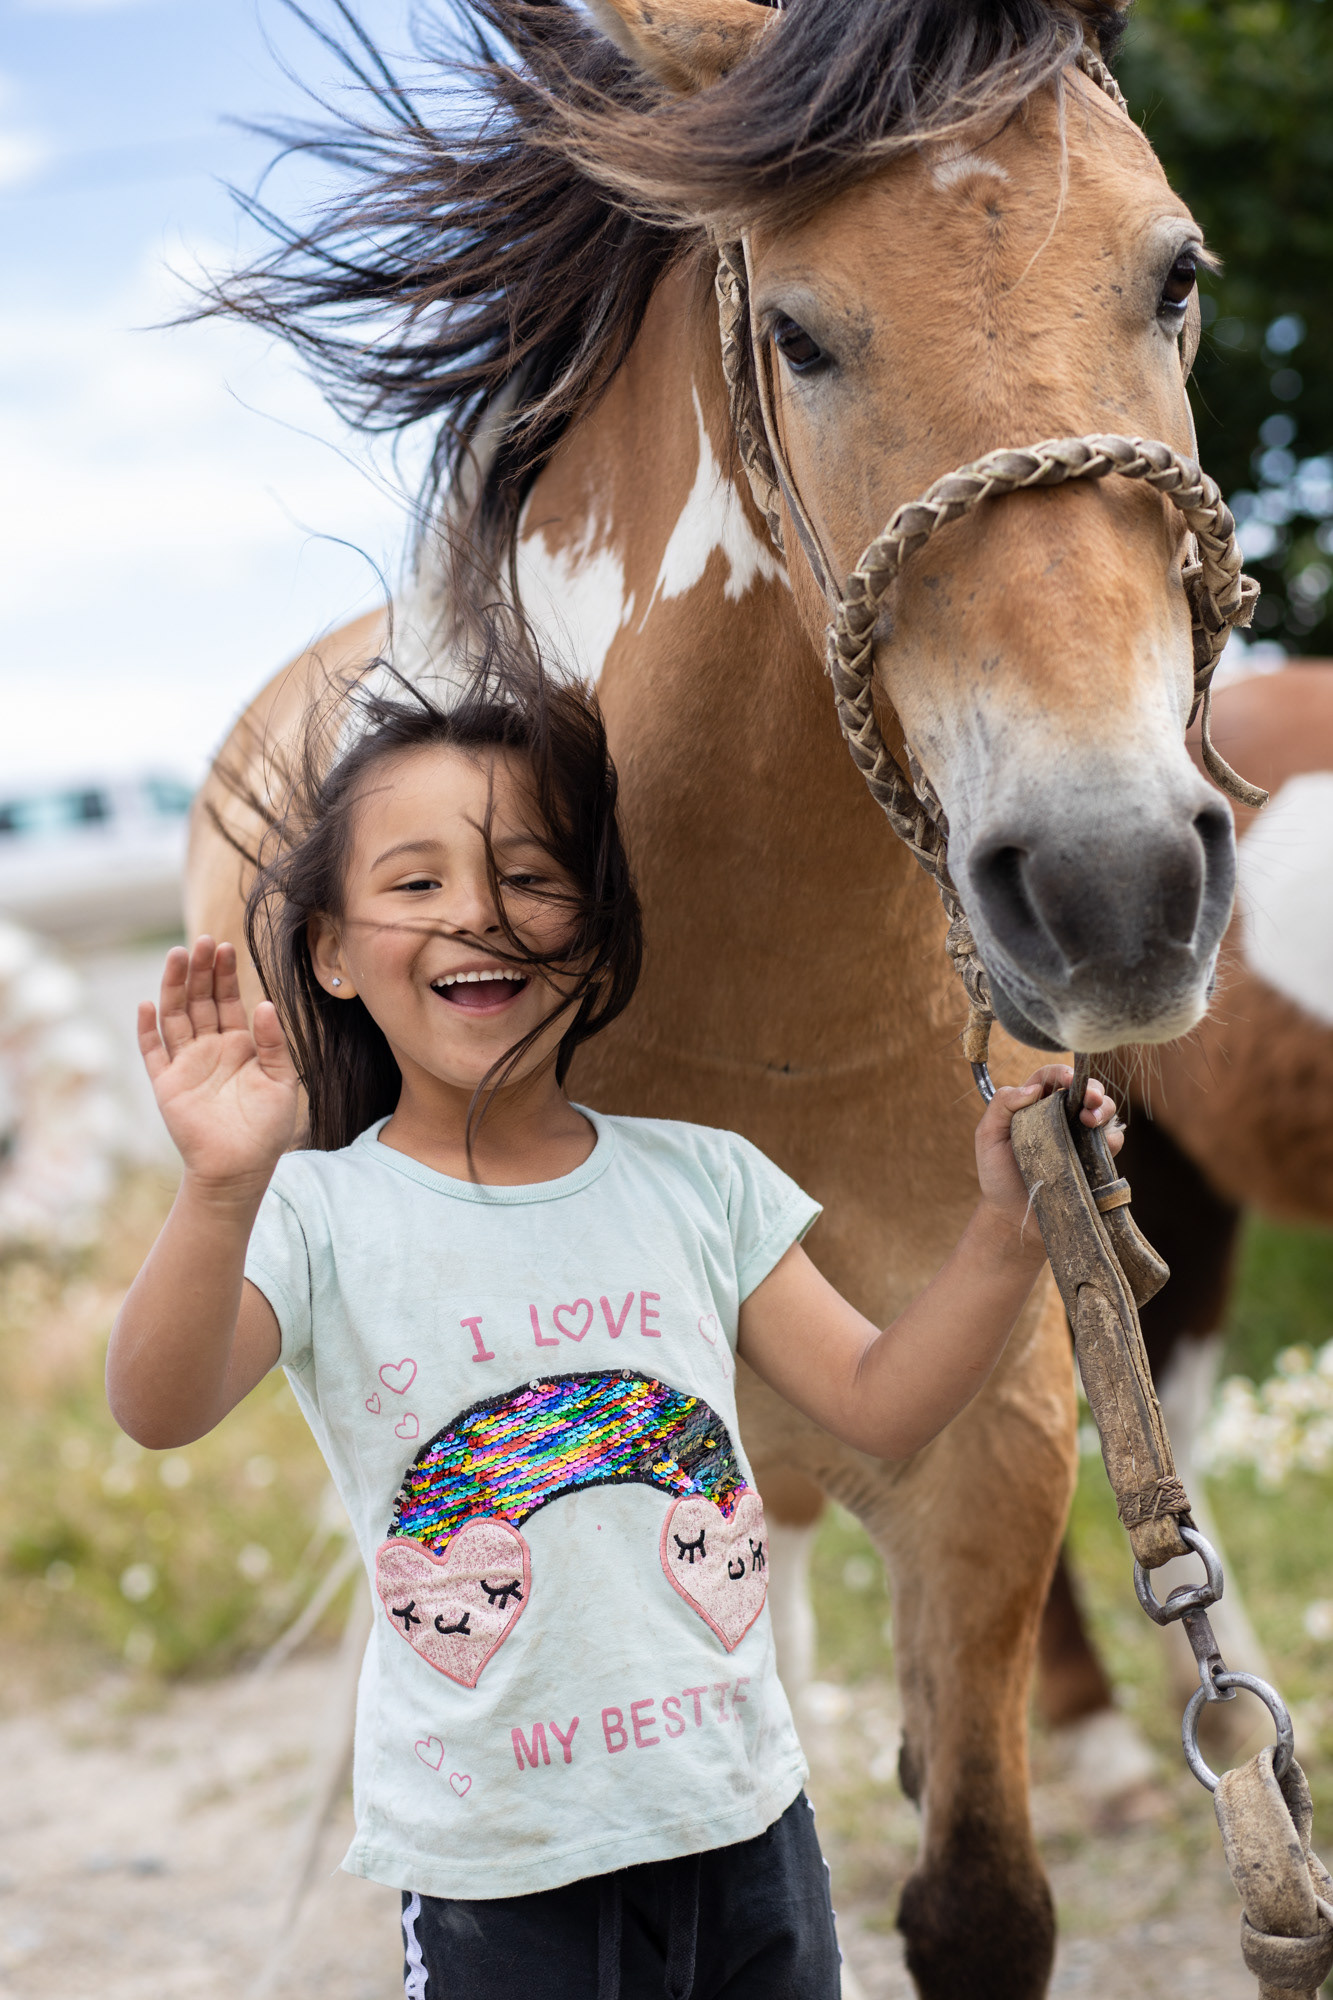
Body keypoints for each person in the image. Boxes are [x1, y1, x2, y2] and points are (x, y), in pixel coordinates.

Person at [107, 653, 1119, 2000]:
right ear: (332, 953)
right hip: (497, 1869)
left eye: (528, 877)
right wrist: (221, 1186)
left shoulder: (703, 1181)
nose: (479, 914)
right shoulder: (318, 1214)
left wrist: (1003, 1234)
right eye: (416, 884)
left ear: (594, 930)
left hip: (745, 1825)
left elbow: (879, 1403)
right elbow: (158, 1406)